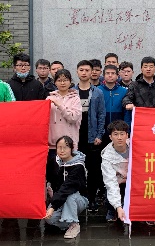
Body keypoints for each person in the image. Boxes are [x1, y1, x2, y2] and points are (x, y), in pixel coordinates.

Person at [75, 60, 106, 212]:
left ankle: (92, 199)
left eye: (87, 70)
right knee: (77, 170)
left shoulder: (98, 92)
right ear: (77, 72)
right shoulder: (72, 92)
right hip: (76, 136)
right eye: (81, 70)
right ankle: (81, 198)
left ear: (92, 72)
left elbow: (101, 115)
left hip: (92, 136)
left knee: (94, 170)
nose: (84, 72)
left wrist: (99, 134)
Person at [44, 136, 88, 239]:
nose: (62, 150)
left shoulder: (78, 166)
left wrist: (53, 206)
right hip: (60, 198)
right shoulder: (54, 162)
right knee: (50, 219)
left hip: (78, 199)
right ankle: (68, 222)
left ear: (72, 148)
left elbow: (67, 188)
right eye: (59, 147)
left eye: (65, 147)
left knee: (70, 195)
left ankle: (74, 224)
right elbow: (48, 179)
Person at [47, 69, 82, 182]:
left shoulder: (75, 99)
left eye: (65, 80)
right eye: (59, 80)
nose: (62, 83)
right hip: (52, 145)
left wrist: (59, 104)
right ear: (55, 82)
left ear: (70, 81)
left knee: (68, 177)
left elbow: (73, 117)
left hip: (69, 144)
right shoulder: (49, 99)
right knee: (53, 177)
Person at [101, 120, 130, 223]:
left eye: (122, 134)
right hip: (118, 182)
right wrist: (118, 206)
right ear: (110, 137)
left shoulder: (135, 147)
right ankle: (112, 210)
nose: (119, 137)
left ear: (127, 135)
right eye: (116, 134)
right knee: (110, 194)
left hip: (134, 182)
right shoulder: (107, 157)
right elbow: (110, 182)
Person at [99, 65, 129, 146]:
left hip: (119, 129)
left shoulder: (124, 91)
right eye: (107, 73)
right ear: (103, 75)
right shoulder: (98, 90)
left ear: (117, 75)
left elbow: (126, 113)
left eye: (113, 73)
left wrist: (127, 129)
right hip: (102, 129)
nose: (110, 75)